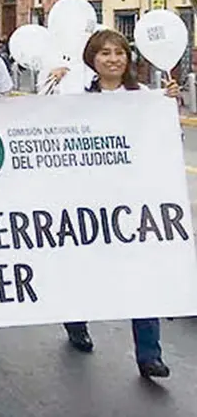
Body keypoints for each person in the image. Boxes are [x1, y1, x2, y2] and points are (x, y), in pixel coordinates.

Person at [46, 28, 178, 378]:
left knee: (141, 273)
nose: (113, 59)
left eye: (119, 52)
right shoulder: (75, 95)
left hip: (134, 201)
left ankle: (149, 354)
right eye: (105, 53)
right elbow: (47, 126)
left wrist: (167, 109)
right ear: (92, 59)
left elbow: (165, 140)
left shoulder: (145, 96)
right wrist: (51, 84)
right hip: (86, 199)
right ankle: (75, 320)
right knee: (86, 267)